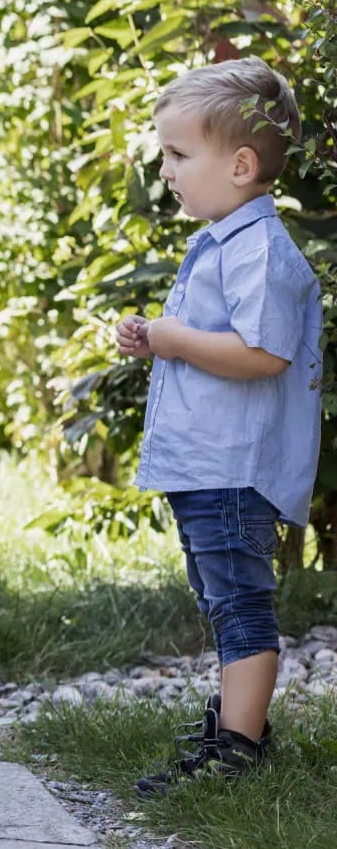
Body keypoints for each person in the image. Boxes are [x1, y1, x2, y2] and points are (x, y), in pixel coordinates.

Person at [115, 58, 321, 796]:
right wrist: (159, 338)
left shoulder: (258, 251)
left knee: (239, 602)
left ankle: (238, 747)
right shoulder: (225, 240)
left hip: (233, 469)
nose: (165, 168)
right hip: (207, 464)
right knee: (220, 595)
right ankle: (238, 730)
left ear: (240, 165)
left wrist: (173, 339)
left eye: (178, 154)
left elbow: (263, 353)